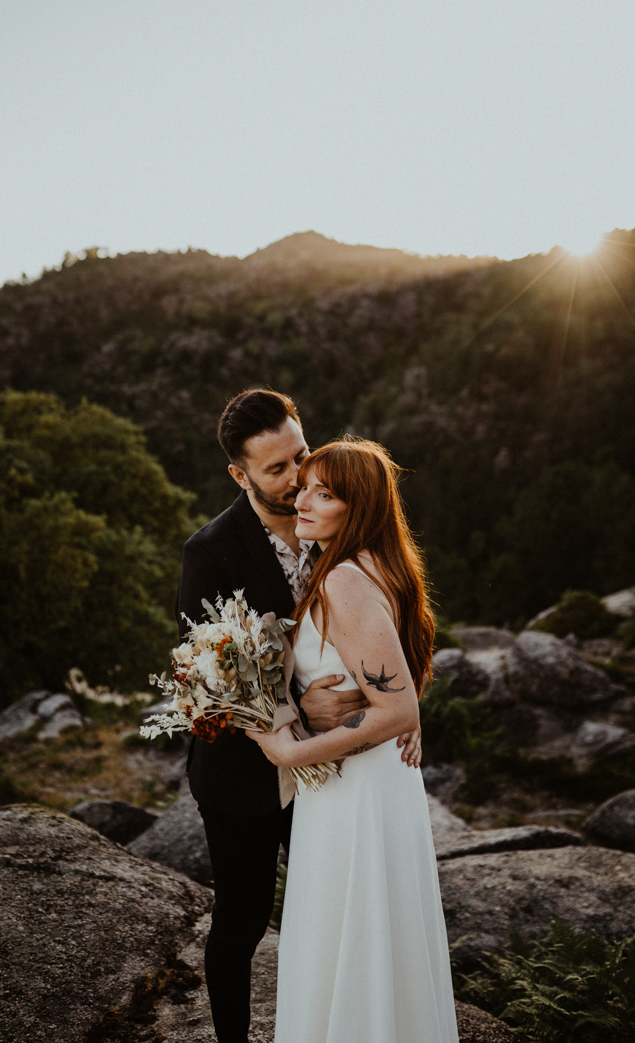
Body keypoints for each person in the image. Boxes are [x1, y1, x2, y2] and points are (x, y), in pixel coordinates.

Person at [176, 390, 422, 1043]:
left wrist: (403, 707)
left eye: (301, 456)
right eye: (277, 470)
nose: (296, 481)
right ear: (240, 475)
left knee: (336, 912)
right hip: (245, 777)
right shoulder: (211, 552)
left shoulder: (340, 521)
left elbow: (390, 617)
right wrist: (294, 709)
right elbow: (210, 676)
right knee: (243, 921)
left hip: (338, 774)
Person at [248, 437, 459, 1043]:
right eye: (304, 487)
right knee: (370, 937)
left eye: (324, 494)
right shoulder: (376, 565)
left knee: (350, 934)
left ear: (358, 508)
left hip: (353, 788)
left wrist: (290, 750)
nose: (302, 501)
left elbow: (397, 708)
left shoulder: (344, 578)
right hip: (368, 781)